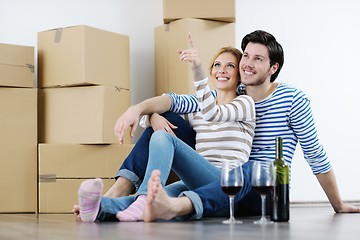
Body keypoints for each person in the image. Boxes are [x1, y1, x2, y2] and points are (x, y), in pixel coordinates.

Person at [107, 29, 360, 222]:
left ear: (273, 67)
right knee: (166, 123)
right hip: (222, 176)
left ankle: (178, 206)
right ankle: (111, 199)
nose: (247, 63)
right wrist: (141, 111)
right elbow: (175, 101)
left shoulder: (292, 99)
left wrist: (338, 204)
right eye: (246, 56)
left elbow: (314, 152)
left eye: (258, 59)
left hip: (261, 189)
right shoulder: (233, 91)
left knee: (254, 168)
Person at [75, 34, 256, 222]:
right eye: (217, 65)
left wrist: (196, 69)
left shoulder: (245, 104)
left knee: (163, 137)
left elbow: (214, 113)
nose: (222, 70)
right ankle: (98, 208)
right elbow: (169, 110)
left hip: (224, 182)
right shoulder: (198, 110)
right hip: (195, 180)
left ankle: (143, 197)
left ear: (239, 76)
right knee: (154, 199)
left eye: (230, 66)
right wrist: (152, 117)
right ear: (212, 71)